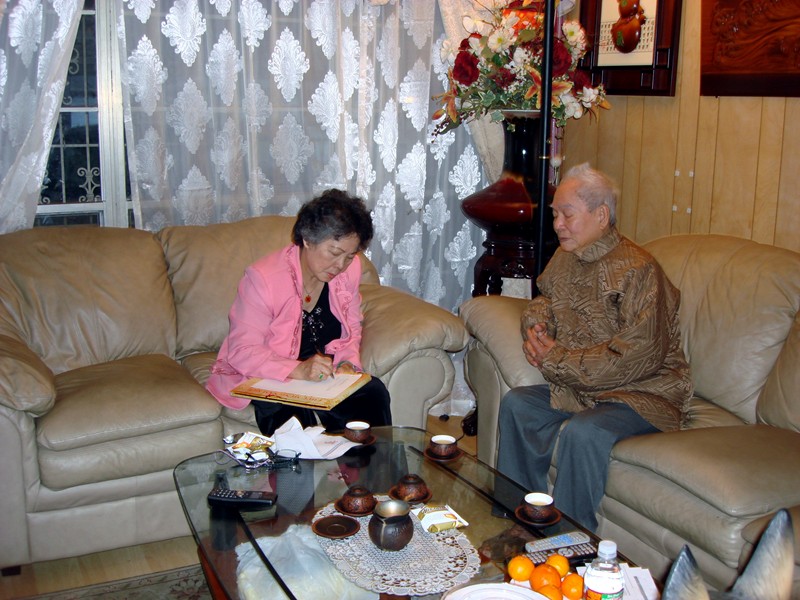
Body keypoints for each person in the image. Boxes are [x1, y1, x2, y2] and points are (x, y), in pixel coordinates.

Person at [496, 163, 692, 531]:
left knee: (584, 432)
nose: (558, 224)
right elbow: (545, 299)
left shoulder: (639, 270)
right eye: (555, 214)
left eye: (567, 214)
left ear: (601, 216)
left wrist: (555, 359)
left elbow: (638, 355)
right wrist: (537, 328)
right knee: (518, 405)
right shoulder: (566, 256)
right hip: (582, 390)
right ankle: (519, 524)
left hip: (641, 394)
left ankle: (570, 540)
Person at [207, 189, 392, 436]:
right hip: (274, 373)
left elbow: (352, 325)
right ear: (307, 239)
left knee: (372, 393)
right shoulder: (263, 279)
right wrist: (298, 370)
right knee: (290, 416)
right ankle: (304, 462)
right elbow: (243, 351)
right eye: (335, 253)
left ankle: (370, 462)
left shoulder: (350, 269)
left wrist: (347, 363)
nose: (341, 265)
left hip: (323, 374)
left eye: (350, 256)